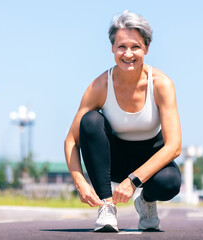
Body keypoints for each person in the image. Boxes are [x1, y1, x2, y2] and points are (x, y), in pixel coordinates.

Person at [64, 10, 182, 232]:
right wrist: (80, 182)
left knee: (170, 182)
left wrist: (134, 182)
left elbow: (174, 146)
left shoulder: (161, 84)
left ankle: (146, 202)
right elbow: (71, 140)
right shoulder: (99, 86)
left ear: (146, 48)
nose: (128, 53)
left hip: (149, 161)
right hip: (114, 160)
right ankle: (106, 207)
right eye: (121, 47)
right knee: (89, 120)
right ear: (112, 48)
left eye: (135, 46)